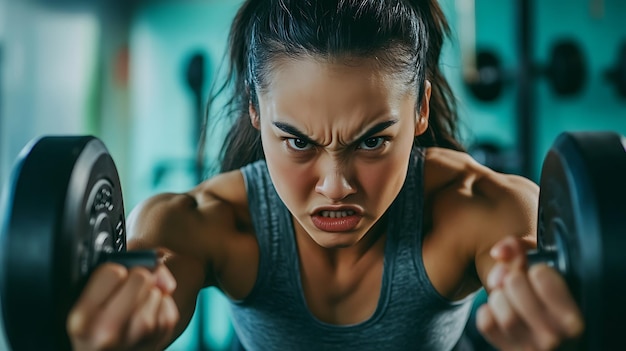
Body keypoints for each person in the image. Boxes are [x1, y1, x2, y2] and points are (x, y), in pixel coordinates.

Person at [66, 0, 584, 350]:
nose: (336, 186)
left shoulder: (477, 208)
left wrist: (556, 309)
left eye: (373, 140)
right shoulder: (208, 223)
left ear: (421, 109)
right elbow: (153, 273)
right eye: (297, 141)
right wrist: (118, 319)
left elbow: (530, 263)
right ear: (254, 111)